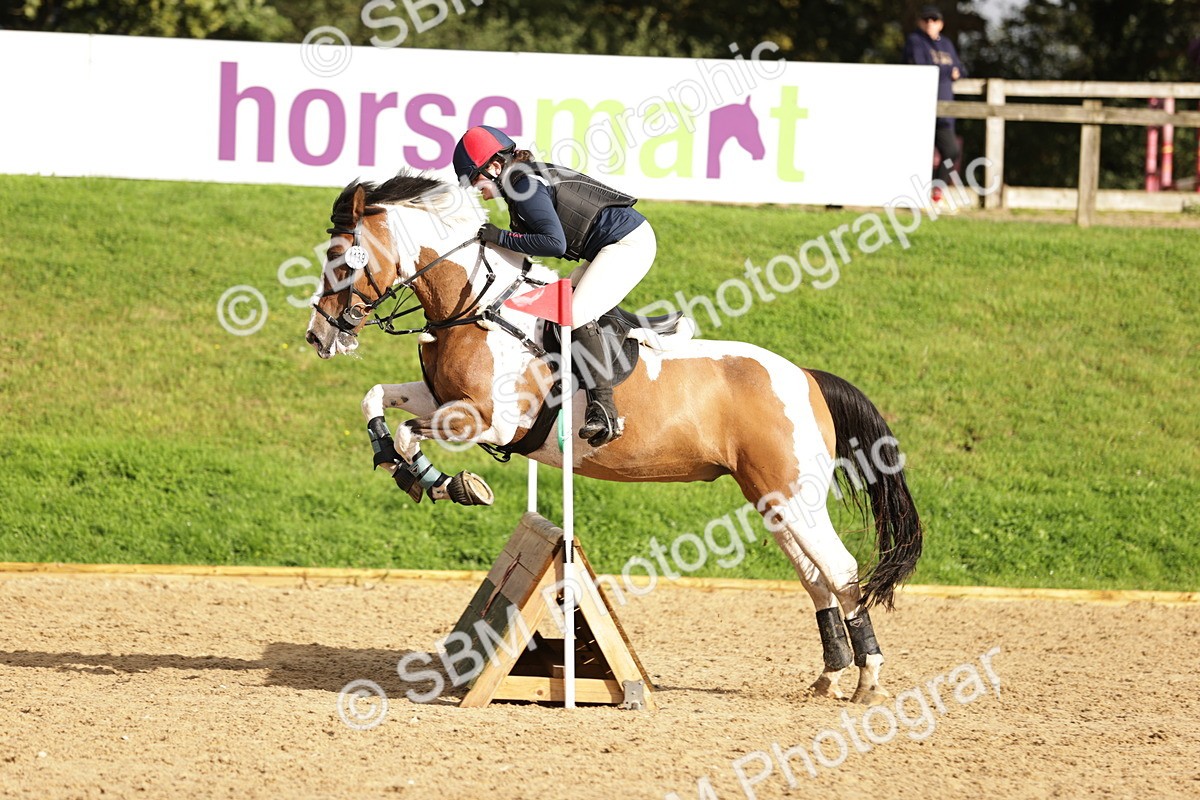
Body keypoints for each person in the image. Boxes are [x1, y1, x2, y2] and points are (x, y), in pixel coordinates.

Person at [452, 125, 656, 447]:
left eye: (474, 179)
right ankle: (620, 328)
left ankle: (604, 410)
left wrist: (499, 236)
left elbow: (554, 243)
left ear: (493, 167)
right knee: (563, 305)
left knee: (573, 313)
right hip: (610, 245)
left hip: (626, 244)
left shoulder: (524, 186)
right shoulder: (518, 182)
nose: (475, 188)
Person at [904, 5, 967, 205]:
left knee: (951, 151)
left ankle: (936, 189)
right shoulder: (915, 42)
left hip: (945, 109)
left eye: (934, 20)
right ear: (920, 22)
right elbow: (923, 70)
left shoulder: (947, 44)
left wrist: (950, 71)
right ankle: (912, 195)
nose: (930, 23)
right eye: (926, 20)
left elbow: (961, 69)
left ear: (941, 23)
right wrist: (949, 72)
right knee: (917, 153)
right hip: (922, 107)